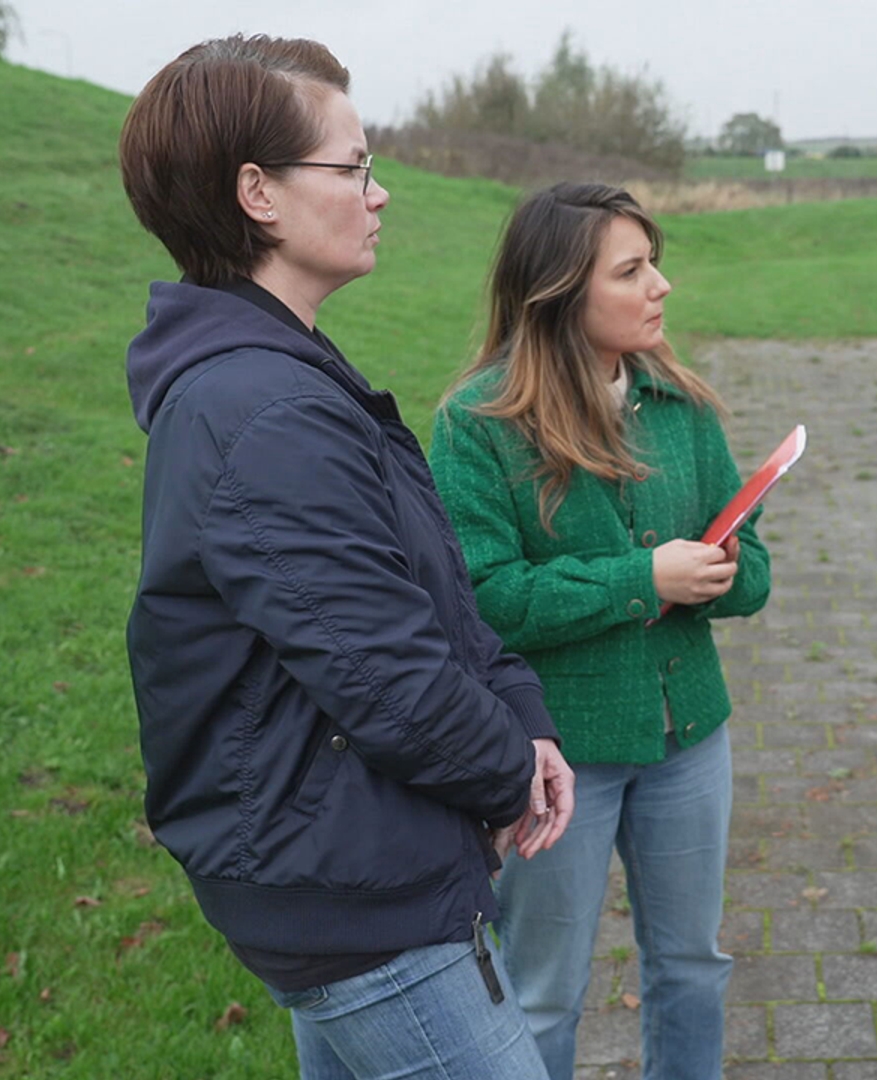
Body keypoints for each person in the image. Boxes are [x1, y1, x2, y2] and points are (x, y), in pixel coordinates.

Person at [118, 35, 572, 1079]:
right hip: (363, 902)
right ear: (258, 194)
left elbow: (428, 601)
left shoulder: (285, 375)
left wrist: (525, 715)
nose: (378, 193)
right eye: (353, 166)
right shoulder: (264, 409)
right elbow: (387, 678)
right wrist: (511, 772)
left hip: (350, 869)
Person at [428, 182, 771, 1080]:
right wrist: (643, 579)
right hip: (556, 757)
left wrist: (718, 575)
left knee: (693, 965)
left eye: (654, 262)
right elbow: (483, 601)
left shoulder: (681, 404)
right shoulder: (477, 424)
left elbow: (757, 571)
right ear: (560, 293)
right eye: (632, 269)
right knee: (543, 989)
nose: (661, 285)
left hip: (691, 738)